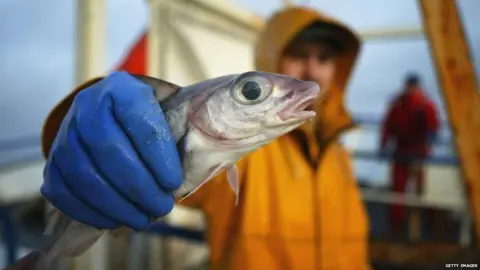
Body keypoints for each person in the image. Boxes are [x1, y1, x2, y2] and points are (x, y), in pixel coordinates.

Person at [7, 6, 371, 270]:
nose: (312, 70)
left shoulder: (339, 151)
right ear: (273, 57)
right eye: (299, 55)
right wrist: (78, 129)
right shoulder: (251, 151)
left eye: (323, 58)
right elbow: (143, 158)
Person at [380, 73, 439, 237]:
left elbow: (433, 126)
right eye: (409, 86)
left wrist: (430, 138)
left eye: (413, 86)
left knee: (422, 191)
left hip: (419, 152)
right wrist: (384, 144)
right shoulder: (398, 103)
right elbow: (387, 125)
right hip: (402, 151)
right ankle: (396, 227)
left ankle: (429, 224)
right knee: (398, 191)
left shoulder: (425, 105)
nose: (411, 89)